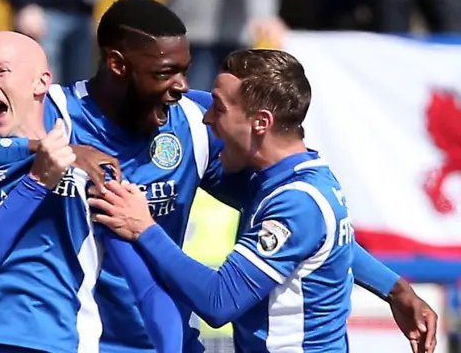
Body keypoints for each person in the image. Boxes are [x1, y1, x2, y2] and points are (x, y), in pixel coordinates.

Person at [0, 0, 438, 352]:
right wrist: (44, 150)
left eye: (182, 70)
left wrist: (389, 285)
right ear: (116, 65)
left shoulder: (195, 123)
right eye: (164, 73)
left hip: (165, 338)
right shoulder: (50, 114)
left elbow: (299, 211)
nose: (182, 86)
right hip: (83, 340)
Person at [88, 49, 436, 353]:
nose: (208, 119)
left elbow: (219, 301)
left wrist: (144, 228)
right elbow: (331, 244)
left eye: (219, 110)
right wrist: (395, 289)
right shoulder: (293, 178)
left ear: (259, 123)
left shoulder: (296, 202)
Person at [0, 31, 182, 353]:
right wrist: (36, 182)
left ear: (41, 83)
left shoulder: (91, 168)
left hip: (59, 345)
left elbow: (146, 287)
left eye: (1, 71)